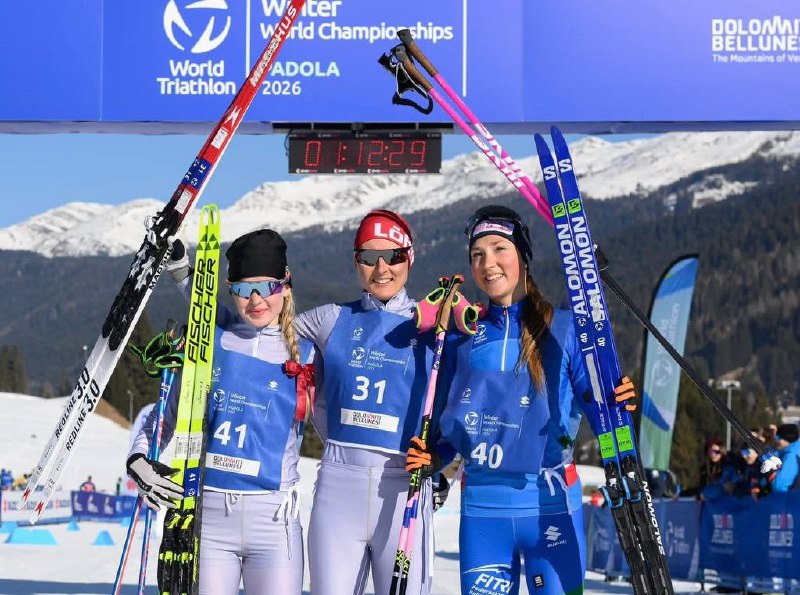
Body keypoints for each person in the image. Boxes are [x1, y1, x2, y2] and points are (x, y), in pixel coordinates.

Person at [408, 205, 637, 595]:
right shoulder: (463, 336)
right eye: (477, 254)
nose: (488, 263)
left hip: (552, 506)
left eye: (500, 249)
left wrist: (620, 403)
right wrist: (433, 457)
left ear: (523, 257)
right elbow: (455, 429)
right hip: (483, 513)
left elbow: (602, 413)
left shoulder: (565, 330)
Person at [126, 229, 315, 595]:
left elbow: (341, 432)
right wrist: (138, 456)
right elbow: (165, 415)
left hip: (274, 522)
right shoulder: (210, 343)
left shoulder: (308, 354)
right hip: (209, 519)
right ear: (231, 290)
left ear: (285, 285)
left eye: (267, 286)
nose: (256, 299)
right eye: (243, 289)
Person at [295, 210, 437, 595]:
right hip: (338, 486)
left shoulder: (434, 323)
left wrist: (441, 459)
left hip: (404, 487)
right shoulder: (331, 318)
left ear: (409, 257)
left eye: (393, 256)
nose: (381, 268)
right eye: (369, 257)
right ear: (355, 261)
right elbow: (262, 329)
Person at [772, 423, 800, 492]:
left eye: (778, 438)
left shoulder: (791, 456)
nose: (776, 441)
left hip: (789, 496)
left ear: (786, 439)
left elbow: (780, 485)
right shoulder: (794, 451)